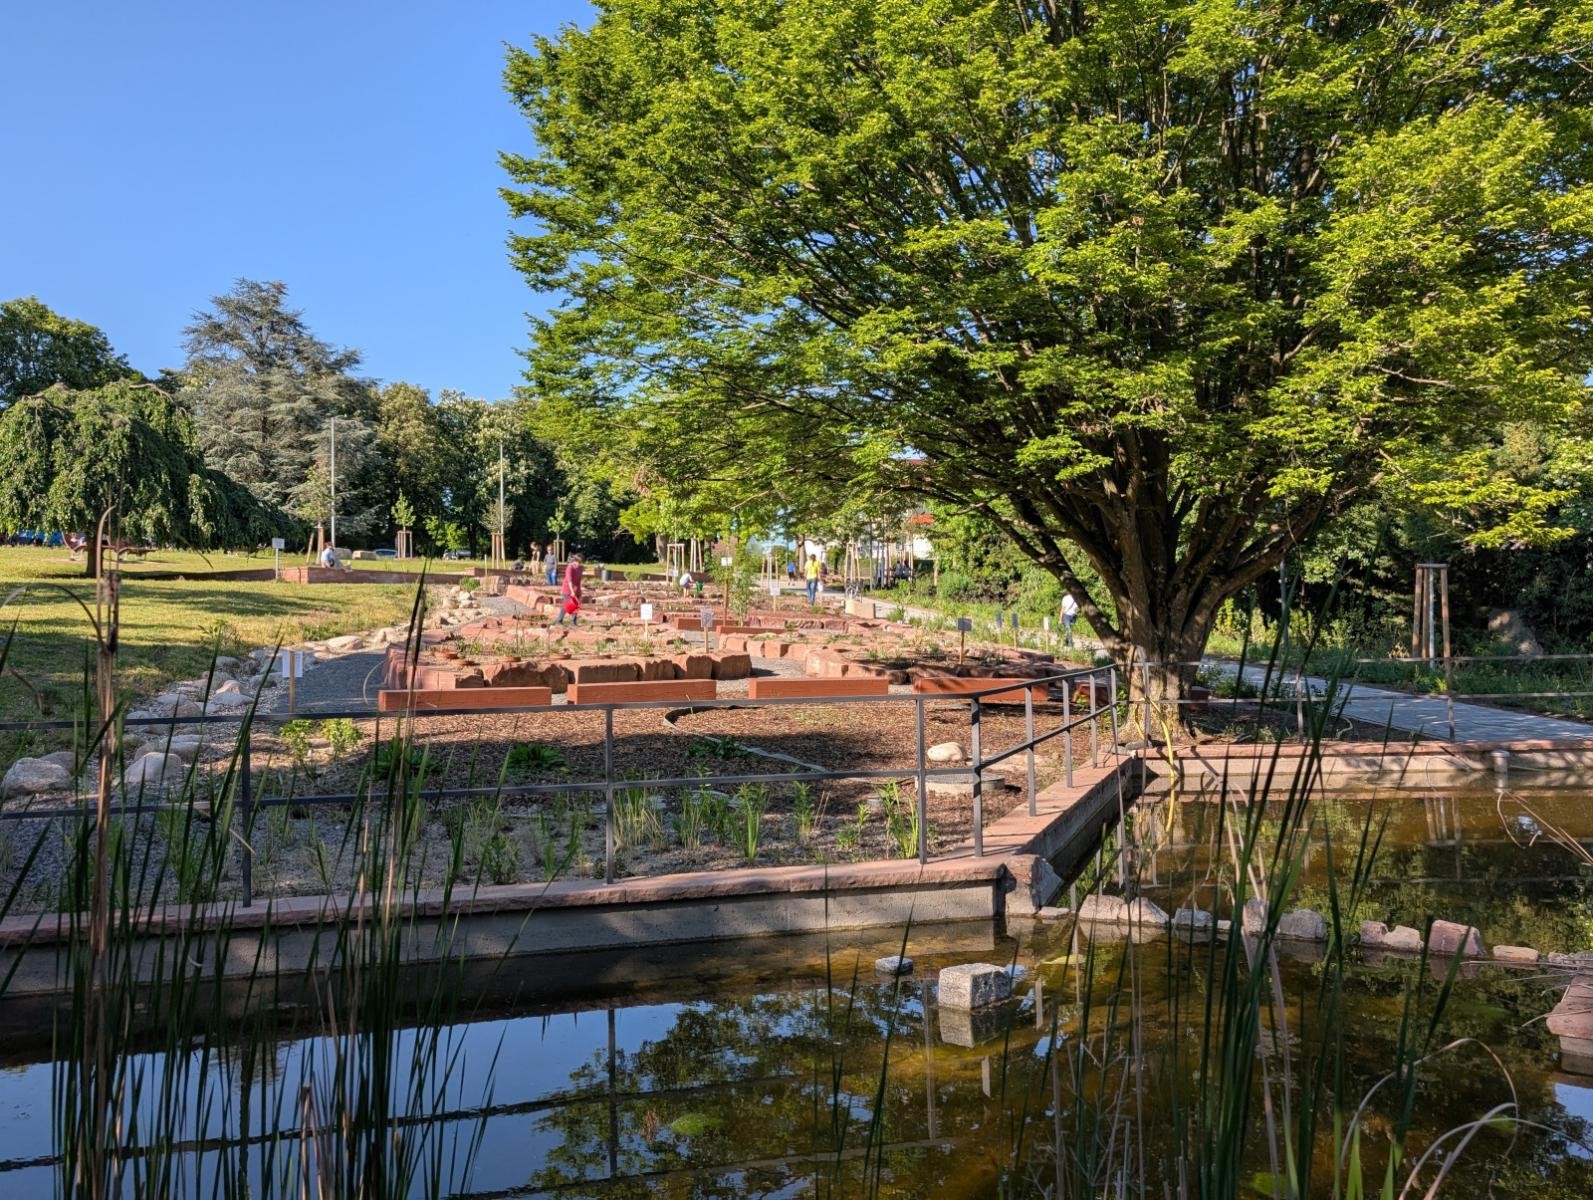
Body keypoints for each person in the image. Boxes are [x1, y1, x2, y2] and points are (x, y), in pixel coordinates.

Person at [555, 553, 585, 625]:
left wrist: (579, 591)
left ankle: (573, 622)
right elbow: (569, 580)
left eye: (580, 562)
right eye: (577, 562)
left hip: (576, 589)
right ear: (574, 560)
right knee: (567, 606)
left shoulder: (580, 568)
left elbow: (579, 580)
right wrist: (572, 591)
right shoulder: (570, 567)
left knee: (575, 606)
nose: (579, 564)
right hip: (567, 589)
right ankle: (559, 621)